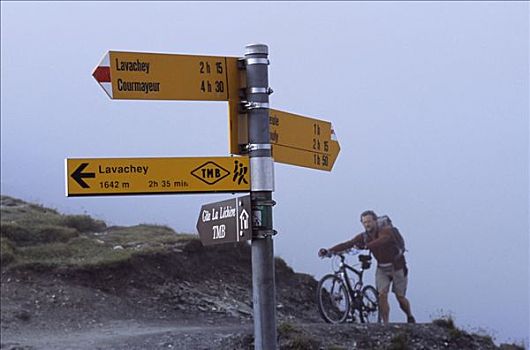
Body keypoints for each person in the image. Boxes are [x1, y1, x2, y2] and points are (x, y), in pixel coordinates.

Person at [318, 210, 416, 324]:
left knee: (400, 297)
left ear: (375, 221)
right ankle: (385, 324)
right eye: (364, 222)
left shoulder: (386, 231)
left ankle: (409, 315)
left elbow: (383, 240)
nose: (367, 224)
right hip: (382, 269)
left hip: (398, 267)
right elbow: (348, 244)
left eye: (369, 221)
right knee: (382, 295)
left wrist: (366, 246)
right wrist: (329, 250)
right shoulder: (364, 236)